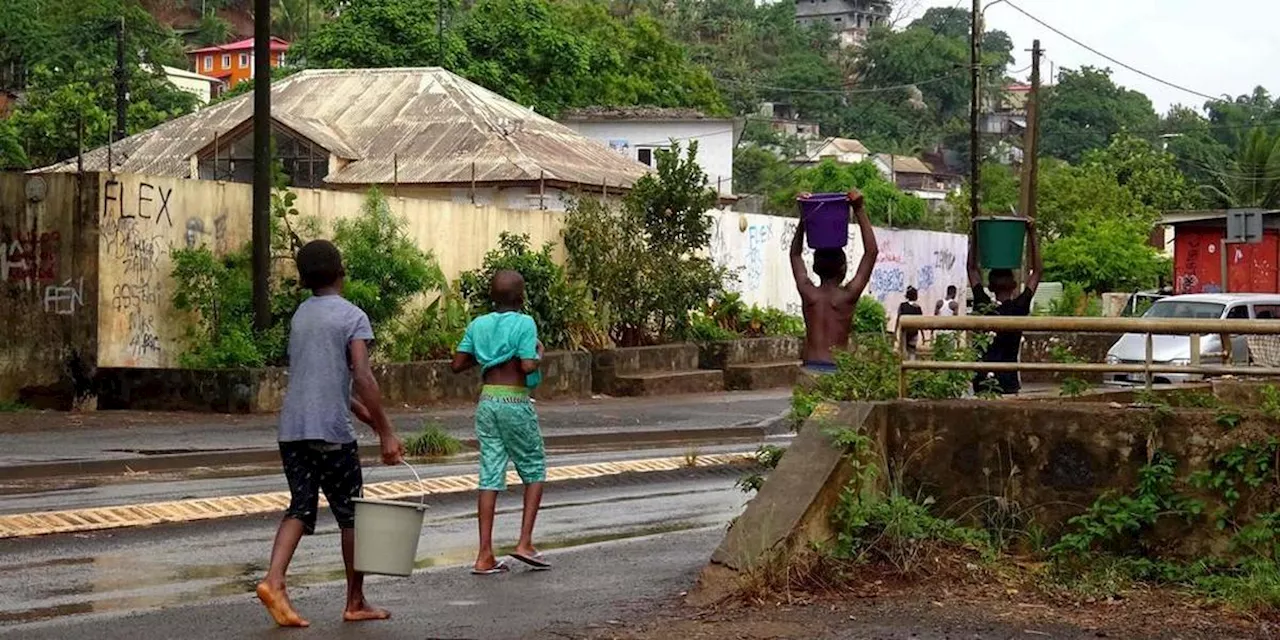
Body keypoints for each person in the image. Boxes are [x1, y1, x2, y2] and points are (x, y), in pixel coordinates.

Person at [257, 239, 405, 628]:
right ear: (342, 273)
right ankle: (355, 601)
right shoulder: (352, 316)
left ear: (305, 280)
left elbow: (327, 383)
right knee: (352, 516)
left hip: (293, 430)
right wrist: (387, 432)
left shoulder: (301, 315)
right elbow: (362, 376)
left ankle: (274, 580)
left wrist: (371, 421)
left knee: (300, 507)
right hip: (331, 435)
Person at [451, 269, 550, 575]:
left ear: (492, 297)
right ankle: (524, 542)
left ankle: (484, 555)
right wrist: (538, 353)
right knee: (534, 467)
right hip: (514, 401)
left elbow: (458, 364)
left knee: (490, 473)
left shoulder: (479, 324)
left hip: (488, 401)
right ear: (521, 298)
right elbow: (527, 365)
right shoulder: (524, 323)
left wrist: (487, 354)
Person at [790, 189, 879, 374]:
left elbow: (795, 254)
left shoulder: (809, 293)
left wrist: (805, 216)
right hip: (836, 369)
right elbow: (871, 253)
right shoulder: (847, 296)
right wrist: (859, 209)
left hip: (809, 367)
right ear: (843, 269)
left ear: (815, 268)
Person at [967, 218, 1041, 395]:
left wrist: (976, 233)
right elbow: (1037, 271)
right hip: (1008, 380)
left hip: (983, 379)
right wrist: (1031, 233)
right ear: (1014, 285)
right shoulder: (1018, 308)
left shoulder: (984, 305)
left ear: (990, 287)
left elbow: (971, 269)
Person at [895, 286, 924, 359]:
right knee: (912, 351)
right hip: (914, 332)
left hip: (904, 332)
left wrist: (895, 332)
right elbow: (921, 323)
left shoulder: (902, 306)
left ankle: (904, 366)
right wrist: (923, 336)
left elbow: (898, 319)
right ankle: (911, 365)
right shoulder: (918, 308)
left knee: (903, 351)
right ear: (915, 296)